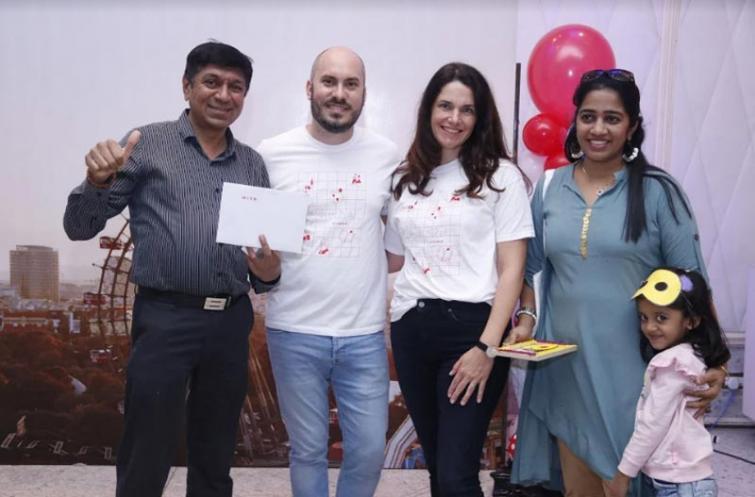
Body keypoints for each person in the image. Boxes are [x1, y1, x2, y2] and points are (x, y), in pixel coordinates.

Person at [63, 41, 281, 497]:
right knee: (147, 451)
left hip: (230, 322)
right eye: (211, 82)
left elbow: (263, 275)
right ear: (186, 86)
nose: (224, 95)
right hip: (165, 318)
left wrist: (269, 270)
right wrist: (96, 181)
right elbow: (80, 227)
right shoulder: (145, 144)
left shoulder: (252, 165)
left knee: (216, 454)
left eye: (236, 87)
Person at [510, 69, 726, 497]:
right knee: (579, 488)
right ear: (575, 121)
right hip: (564, 365)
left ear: (632, 126)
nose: (598, 129)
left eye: (612, 118)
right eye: (588, 116)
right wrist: (528, 319)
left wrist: (717, 361)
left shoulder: (658, 191)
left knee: (627, 480)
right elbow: (528, 269)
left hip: (636, 370)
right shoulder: (549, 189)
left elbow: (694, 284)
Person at [385, 62, 534, 497]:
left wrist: (487, 348)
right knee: (438, 467)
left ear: (480, 117)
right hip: (411, 329)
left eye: (467, 110)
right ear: (429, 111)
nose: (454, 118)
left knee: (457, 474)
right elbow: (395, 259)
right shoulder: (404, 179)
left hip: (472, 332)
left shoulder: (501, 176)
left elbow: (512, 269)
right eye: (445, 106)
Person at [256, 47, 399, 497]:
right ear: (310, 88)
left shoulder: (386, 156)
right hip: (293, 330)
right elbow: (257, 244)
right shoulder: (272, 154)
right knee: (307, 451)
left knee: (369, 451)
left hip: (363, 334)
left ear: (363, 94)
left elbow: (398, 240)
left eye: (350, 84)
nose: (339, 93)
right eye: (329, 82)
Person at [603, 267, 729, 497]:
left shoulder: (672, 364)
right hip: (683, 480)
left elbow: (652, 425)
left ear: (691, 321)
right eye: (644, 317)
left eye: (661, 318)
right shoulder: (692, 356)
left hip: (678, 485)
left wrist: (623, 475)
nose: (650, 327)